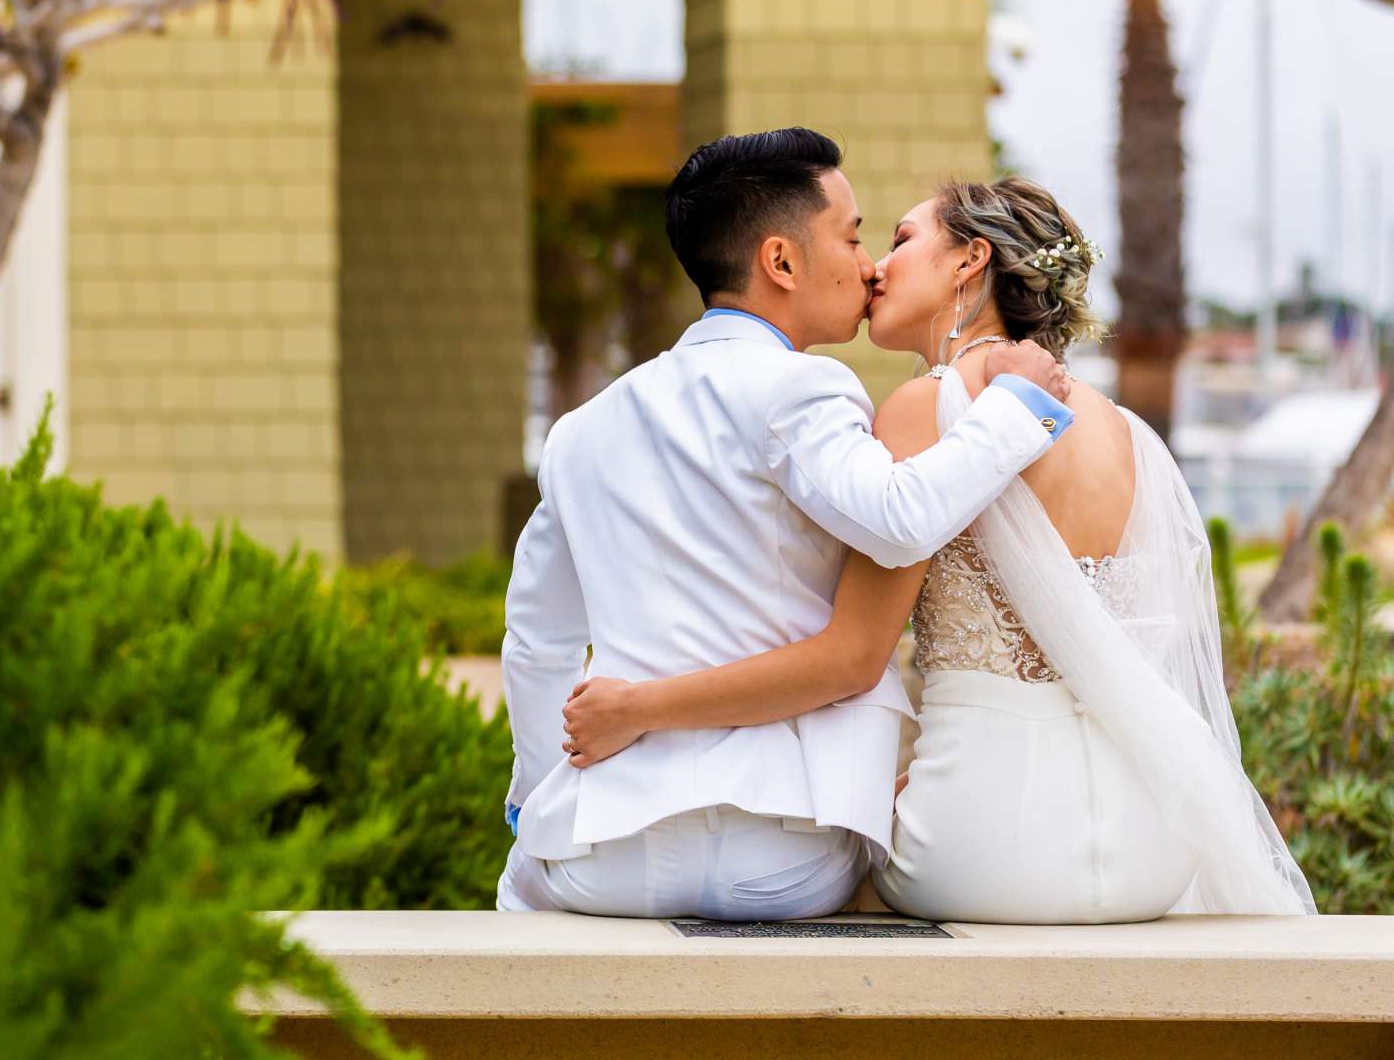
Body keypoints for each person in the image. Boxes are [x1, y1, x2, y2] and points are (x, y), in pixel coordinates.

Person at [556, 175, 1316, 921]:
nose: (876, 266)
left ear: (969, 261)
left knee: (811, 868)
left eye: (900, 240)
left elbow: (851, 660)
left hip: (986, 847)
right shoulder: (1122, 429)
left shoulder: (924, 408)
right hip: (1157, 837)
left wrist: (639, 708)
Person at [497, 129, 1078, 920]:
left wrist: (534, 797)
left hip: (607, 850)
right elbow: (900, 519)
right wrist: (1015, 410)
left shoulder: (580, 431)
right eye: (853, 235)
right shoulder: (804, 390)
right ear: (781, 262)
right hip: (785, 852)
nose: (869, 263)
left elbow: (536, 643)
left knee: (523, 884)